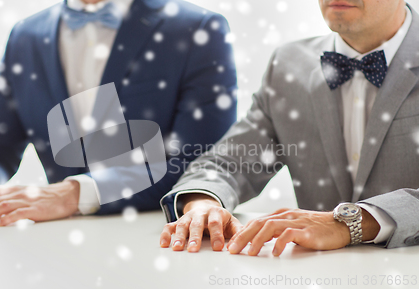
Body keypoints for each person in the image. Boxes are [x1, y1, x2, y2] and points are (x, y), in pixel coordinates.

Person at [0, 0, 237, 225]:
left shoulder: (197, 28)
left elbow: (201, 162)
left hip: (157, 236)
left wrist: (75, 193)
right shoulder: (25, 35)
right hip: (56, 245)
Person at [159, 0, 419, 256]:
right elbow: (230, 162)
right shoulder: (288, 65)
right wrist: (205, 201)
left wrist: (351, 223)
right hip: (314, 274)